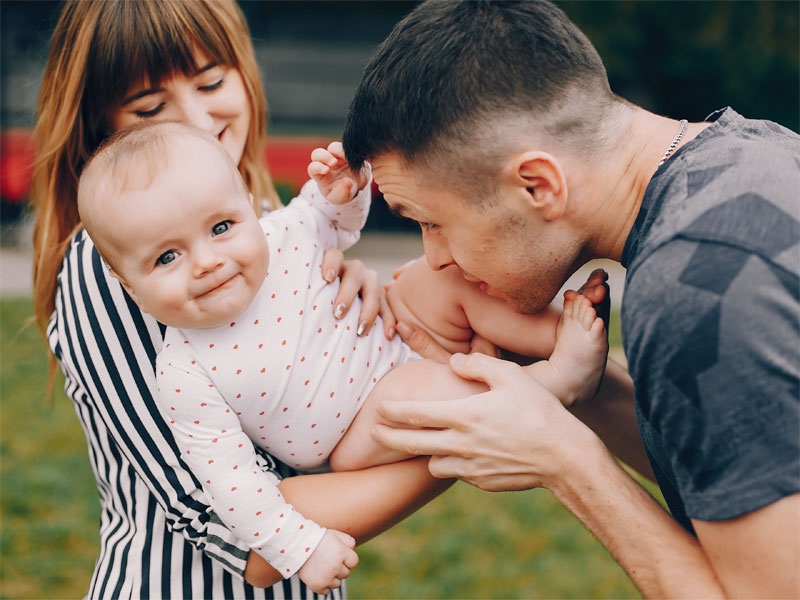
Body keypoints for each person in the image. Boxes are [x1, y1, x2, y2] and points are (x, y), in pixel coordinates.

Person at [341, 1, 800, 598]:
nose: (435, 260)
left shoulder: (695, 290)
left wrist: (563, 459)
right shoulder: (756, 151)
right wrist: (574, 388)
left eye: (431, 222)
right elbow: (745, 453)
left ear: (537, 185)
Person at [30, 1, 459, 597]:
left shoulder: (255, 223)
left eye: (211, 82)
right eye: (149, 108)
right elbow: (244, 538)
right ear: (100, 123)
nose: (195, 120)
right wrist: (465, 441)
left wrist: (346, 312)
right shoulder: (106, 273)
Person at [76, 120, 611, 592]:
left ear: (247, 206)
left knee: (435, 278)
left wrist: (341, 194)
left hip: (393, 330)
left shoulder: (280, 235)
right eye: (167, 256)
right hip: (360, 427)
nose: (207, 262)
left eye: (221, 228)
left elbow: (331, 220)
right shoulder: (183, 372)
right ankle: (555, 382)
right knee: (418, 394)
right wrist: (299, 548)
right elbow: (233, 484)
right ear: (127, 284)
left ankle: (553, 333)